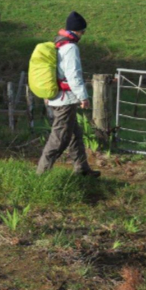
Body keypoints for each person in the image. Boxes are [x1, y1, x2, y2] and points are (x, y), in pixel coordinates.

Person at [37, 11, 101, 178]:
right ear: (76, 31)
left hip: (57, 97)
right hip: (65, 99)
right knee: (59, 139)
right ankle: (41, 175)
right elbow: (73, 75)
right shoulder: (71, 48)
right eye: (83, 31)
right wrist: (83, 97)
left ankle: (82, 169)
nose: (83, 35)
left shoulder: (58, 43)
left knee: (74, 134)